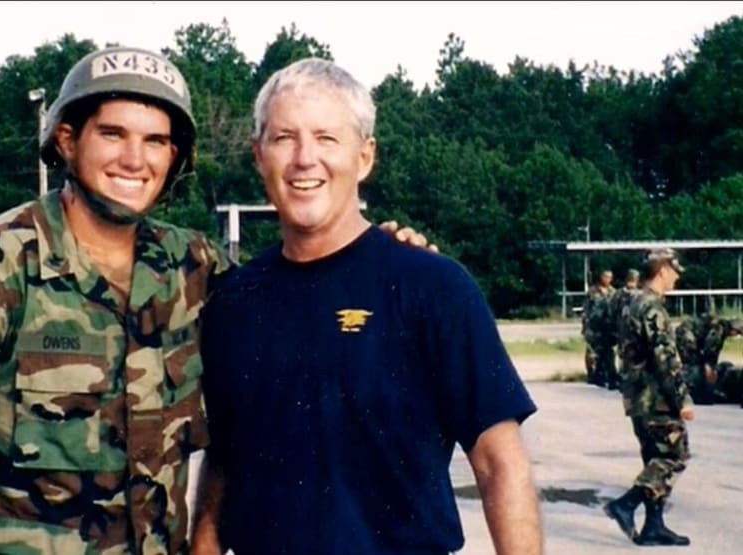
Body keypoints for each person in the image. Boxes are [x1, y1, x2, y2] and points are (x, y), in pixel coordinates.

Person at [0, 46, 434, 554]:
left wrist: (378, 253)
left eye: (156, 140)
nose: (135, 160)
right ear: (67, 139)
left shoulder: (195, 271)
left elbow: (298, 285)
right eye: (113, 134)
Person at [191, 58, 542, 555]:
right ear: (258, 154)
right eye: (284, 137)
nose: (304, 158)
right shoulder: (234, 301)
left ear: (365, 157)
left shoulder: (433, 286)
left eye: (327, 138)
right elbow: (224, 459)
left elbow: (499, 463)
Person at [605, 248, 693, 546]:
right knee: (674, 455)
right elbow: (666, 360)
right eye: (674, 271)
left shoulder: (630, 302)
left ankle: (653, 526)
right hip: (656, 398)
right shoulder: (653, 308)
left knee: (653, 458)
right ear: (663, 270)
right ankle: (625, 504)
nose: (677, 277)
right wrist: (683, 400)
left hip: (636, 397)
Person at [582, 269, 617, 388]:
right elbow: (586, 310)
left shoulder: (613, 292)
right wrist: (586, 327)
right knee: (591, 352)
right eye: (605, 276)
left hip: (607, 327)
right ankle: (591, 374)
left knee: (607, 351)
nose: (607, 279)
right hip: (594, 326)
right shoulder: (592, 291)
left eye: (609, 277)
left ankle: (604, 373)